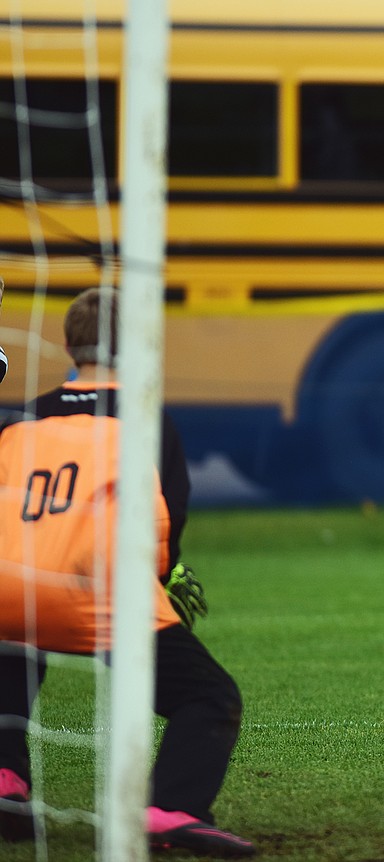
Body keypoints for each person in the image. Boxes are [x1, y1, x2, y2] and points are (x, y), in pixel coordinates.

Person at [0, 288, 254, 856]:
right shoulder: (145, 419)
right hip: (102, 596)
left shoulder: (23, 418)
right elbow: (168, 515)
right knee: (210, 696)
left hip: (10, 586)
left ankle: (6, 778)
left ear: (68, 344)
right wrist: (163, 577)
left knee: (15, 645)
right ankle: (172, 808)